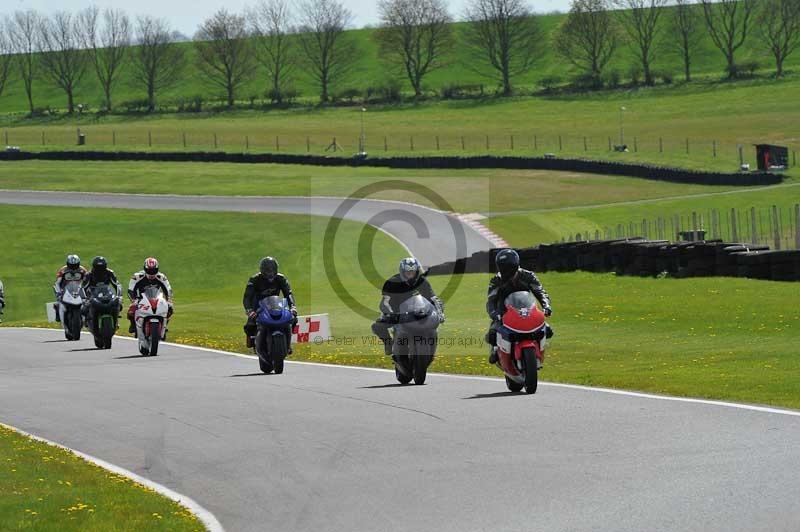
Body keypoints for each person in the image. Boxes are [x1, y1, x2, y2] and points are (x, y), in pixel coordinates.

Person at [485, 249, 552, 364]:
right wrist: (494, 314)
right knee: (492, 334)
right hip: (504, 311)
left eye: (508, 268)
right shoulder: (496, 280)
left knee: (548, 330)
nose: (506, 273)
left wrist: (546, 306)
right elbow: (491, 300)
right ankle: (495, 350)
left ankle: (539, 349)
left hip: (527, 309)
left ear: (515, 266)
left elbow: (540, 292)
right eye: (503, 269)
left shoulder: (528, 276)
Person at [371, 257, 445, 356]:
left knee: (433, 327)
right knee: (377, 326)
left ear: (417, 271)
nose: (410, 275)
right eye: (408, 272)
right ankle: (389, 344)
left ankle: (431, 348)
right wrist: (390, 313)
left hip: (418, 313)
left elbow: (433, 299)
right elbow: (385, 301)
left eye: (413, 272)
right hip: (396, 313)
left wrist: (439, 313)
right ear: (402, 271)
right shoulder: (392, 282)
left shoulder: (422, 282)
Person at [242, 257, 297, 352]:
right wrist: (249, 310)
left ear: (276, 269)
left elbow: (288, 293)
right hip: (258, 307)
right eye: (267, 270)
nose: (270, 273)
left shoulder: (281, 278)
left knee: (292, 319)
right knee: (250, 325)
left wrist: (292, 306)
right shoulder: (254, 279)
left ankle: (288, 344)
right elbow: (247, 297)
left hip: (276, 306)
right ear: (262, 270)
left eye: (272, 270)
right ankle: (252, 340)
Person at [127, 257, 173, 334]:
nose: (151, 273)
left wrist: (169, 299)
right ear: (145, 269)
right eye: (149, 271)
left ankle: (164, 326)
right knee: (131, 309)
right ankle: (133, 324)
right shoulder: (137, 276)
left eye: (154, 271)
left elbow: (168, 289)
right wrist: (133, 300)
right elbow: (130, 290)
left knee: (170, 308)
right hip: (141, 298)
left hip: (156, 297)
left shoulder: (161, 277)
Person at [82, 256, 123, 323]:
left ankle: (116, 320)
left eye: (101, 268)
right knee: (84, 309)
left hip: (106, 292)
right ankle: (87, 320)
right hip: (92, 294)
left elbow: (117, 285)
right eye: (98, 268)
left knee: (118, 304)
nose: (100, 270)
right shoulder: (88, 275)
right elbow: (83, 288)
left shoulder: (110, 273)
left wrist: (119, 296)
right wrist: (84, 299)